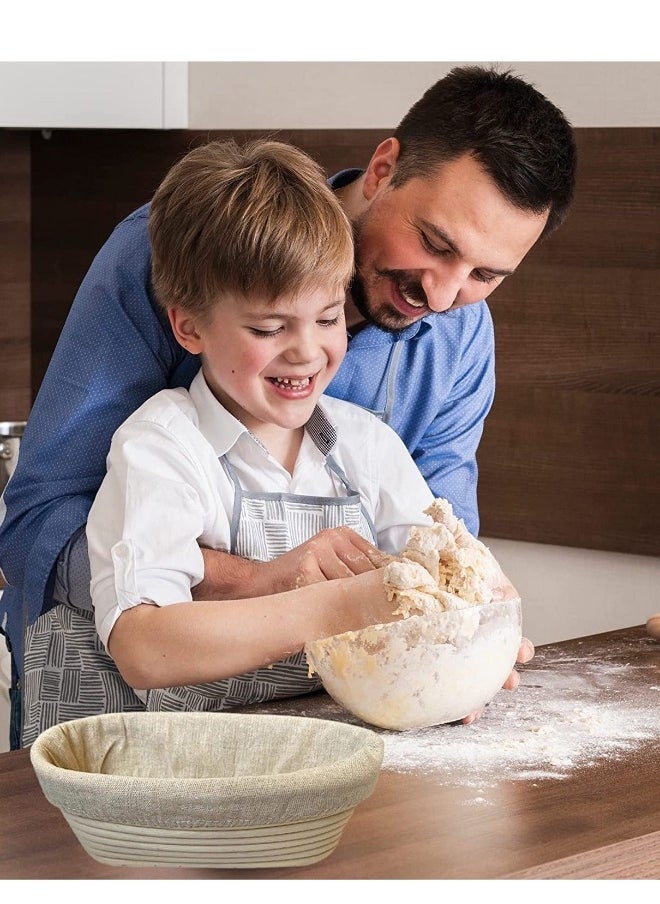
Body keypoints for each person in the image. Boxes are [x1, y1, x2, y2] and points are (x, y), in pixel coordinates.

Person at [0, 65, 576, 748]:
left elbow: (440, 550)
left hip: (298, 732)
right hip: (114, 724)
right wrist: (273, 585)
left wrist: (461, 648)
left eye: (485, 276)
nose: (445, 297)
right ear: (384, 168)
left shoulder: (434, 363)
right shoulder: (178, 257)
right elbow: (42, 527)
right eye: (436, 245)